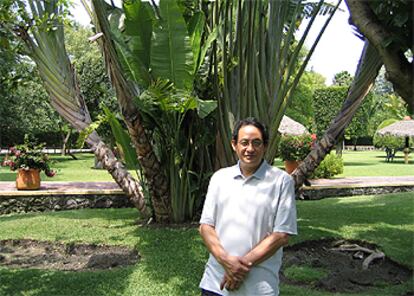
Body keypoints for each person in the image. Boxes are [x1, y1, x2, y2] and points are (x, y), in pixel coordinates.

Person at [199, 117, 297, 296]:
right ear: (234, 144)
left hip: (259, 288)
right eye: (244, 142)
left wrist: (238, 268)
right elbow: (206, 226)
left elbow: (281, 235)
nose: (250, 149)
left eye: (256, 143)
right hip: (215, 284)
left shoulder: (281, 181)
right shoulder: (220, 178)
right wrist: (225, 261)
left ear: (265, 146)